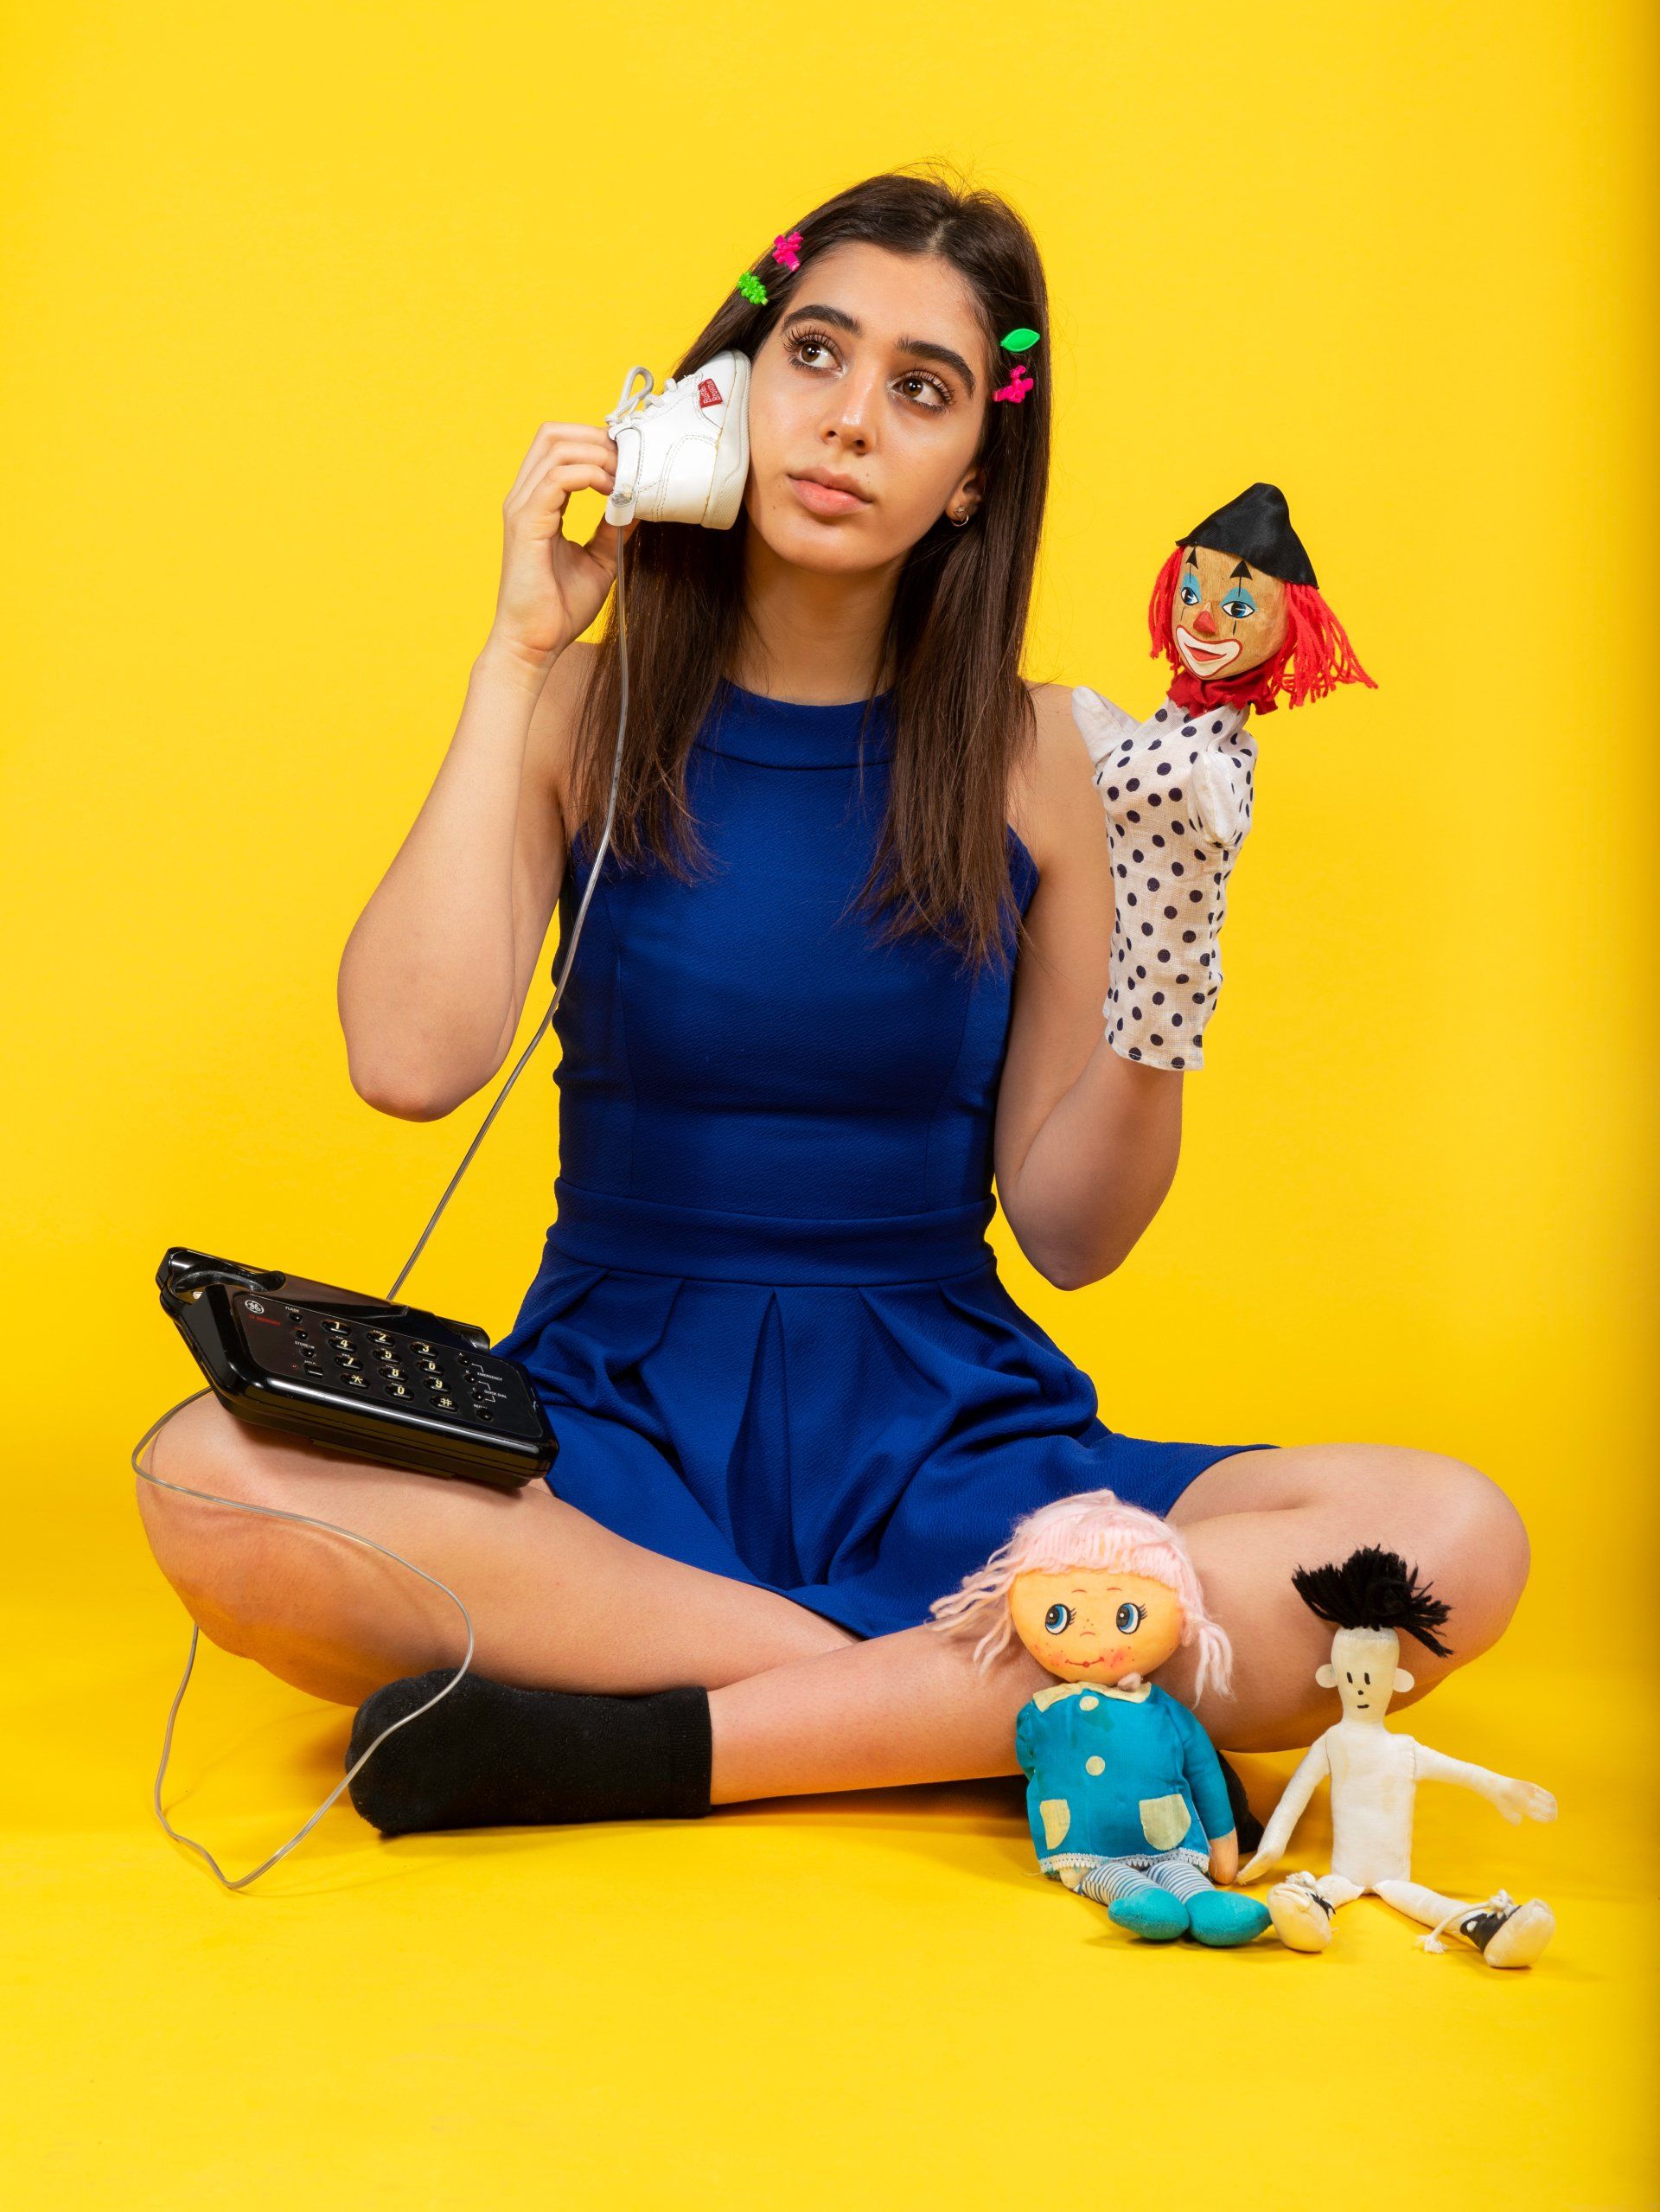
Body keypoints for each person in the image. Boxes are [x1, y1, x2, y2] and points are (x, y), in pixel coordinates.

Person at [135, 169, 1529, 1839]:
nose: (852, 421)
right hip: (612, 1434)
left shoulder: (1048, 759)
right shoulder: (588, 708)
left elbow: (1076, 1232)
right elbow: (410, 1060)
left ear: (968, 482)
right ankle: (952, 1707)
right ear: (726, 391)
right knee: (204, 1478)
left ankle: (667, 1747)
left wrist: (1173, 963)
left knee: (1449, 1541)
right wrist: (516, 658)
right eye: (817, 354)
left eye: (920, 389)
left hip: (948, 1445)